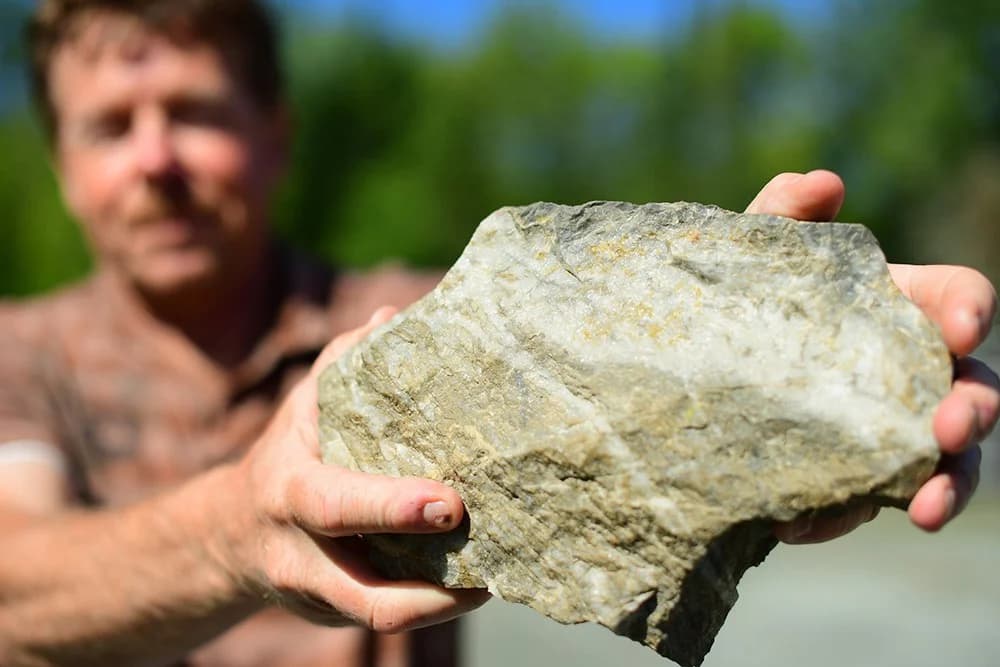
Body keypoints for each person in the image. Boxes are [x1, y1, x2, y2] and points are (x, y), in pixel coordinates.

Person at [0, 1, 995, 666]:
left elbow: (587, 343)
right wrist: (237, 531)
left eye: (192, 110)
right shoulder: (23, 353)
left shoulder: (394, 320)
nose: (156, 161)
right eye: (109, 125)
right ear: (58, 163)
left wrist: (749, 341)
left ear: (276, 132)